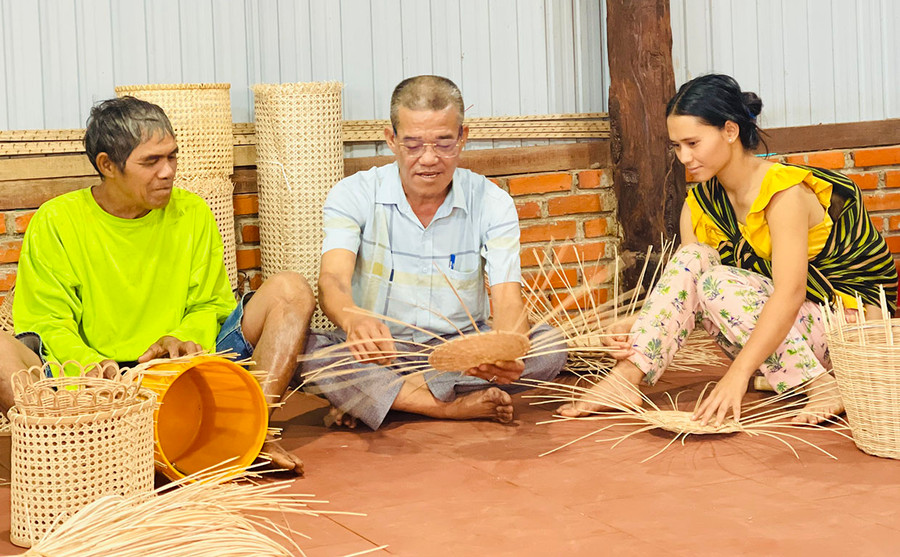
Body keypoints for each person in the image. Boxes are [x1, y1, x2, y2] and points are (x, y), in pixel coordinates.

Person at [559, 73, 897, 426]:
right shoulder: (701, 203)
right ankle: (626, 380)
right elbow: (693, 296)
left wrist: (736, 376)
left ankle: (820, 385)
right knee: (695, 260)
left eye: (693, 143)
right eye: (676, 146)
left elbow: (791, 293)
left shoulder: (784, 195)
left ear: (730, 131)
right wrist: (640, 323)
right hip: (785, 336)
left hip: (848, 332)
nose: (684, 157)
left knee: (717, 282)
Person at [0, 96, 313, 474]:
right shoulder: (56, 221)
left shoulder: (193, 211)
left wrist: (181, 341)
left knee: (292, 290)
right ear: (107, 165)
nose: (168, 171)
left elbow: (210, 305)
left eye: (172, 156)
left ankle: (251, 432)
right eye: (151, 161)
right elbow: (46, 323)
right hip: (93, 383)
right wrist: (92, 368)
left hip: (184, 367)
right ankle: (73, 457)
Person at [300, 75, 567, 430]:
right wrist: (353, 320)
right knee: (306, 350)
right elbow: (332, 278)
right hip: (384, 351)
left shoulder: (491, 201)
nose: (429, 159)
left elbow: (506, 296)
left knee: (550, 345)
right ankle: (445, 407)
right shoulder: (354, 193)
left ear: (463, 137)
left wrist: (506, 349)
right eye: (413, 145)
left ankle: (387, 398)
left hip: (461, 351)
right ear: (391, 140)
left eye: (443, 143)